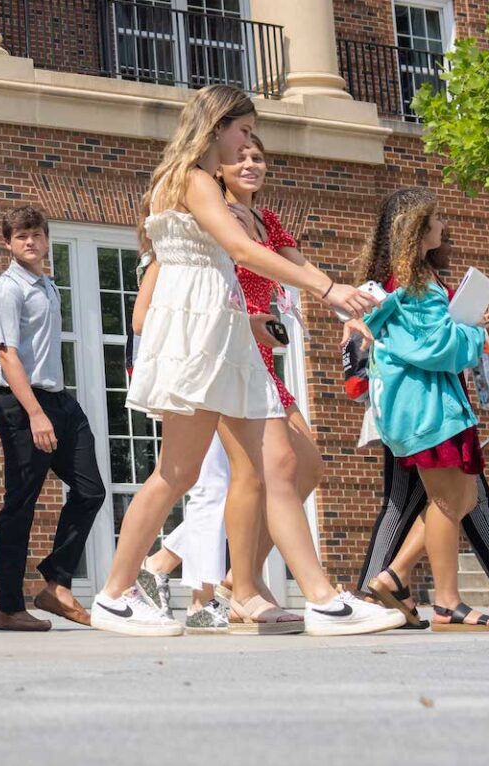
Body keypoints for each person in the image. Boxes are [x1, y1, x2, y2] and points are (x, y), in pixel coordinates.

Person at [91, 84, 401, 637]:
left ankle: (323, 600)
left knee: (278, 465)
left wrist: (260, 319)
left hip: (228, 331)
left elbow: (229, 266)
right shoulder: (191, 180)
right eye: (243, 129)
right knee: (177, 472)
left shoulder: (206, 183)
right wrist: (327, 288)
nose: (249, 141)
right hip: (202, 337)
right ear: (215, 127)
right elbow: (240, 252)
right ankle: (114, 594)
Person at [349, 190, 489, 630]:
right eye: (435, 218)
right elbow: (438, 348)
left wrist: (469, 327)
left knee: (464, 497)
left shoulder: (403, 283)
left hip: (426, 405)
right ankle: (446, 602)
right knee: (446, 501)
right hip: (428, 407)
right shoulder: (414, 285)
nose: (443, 225)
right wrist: (475, 331)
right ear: (416, 229)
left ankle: (394, 575)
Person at [138, 136, 326, 632]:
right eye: (240, 156)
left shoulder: (268, 221)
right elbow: (161, 302)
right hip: (221, 360)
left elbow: (299, 267)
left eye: (259, 157)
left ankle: (228, 581)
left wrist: (345, 301)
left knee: (306, 466)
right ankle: (239, 587)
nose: (250, 164)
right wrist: (247, 321)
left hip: (261, 363)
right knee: (245, 475)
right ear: (215, 166)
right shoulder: (208, 220)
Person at [0, 205, 106, 633]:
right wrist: (34, 413)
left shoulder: (47, 286)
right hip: (22, 405)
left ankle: (56, 582)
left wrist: (49, 407)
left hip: (58, 399)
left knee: (90, 491)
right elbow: (6, 354)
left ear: (46, 238)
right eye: (20, 237)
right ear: (8, 243)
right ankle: (9, 607)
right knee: (21, 503)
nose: (30, 242)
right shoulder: (7, 290)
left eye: (35, 234)